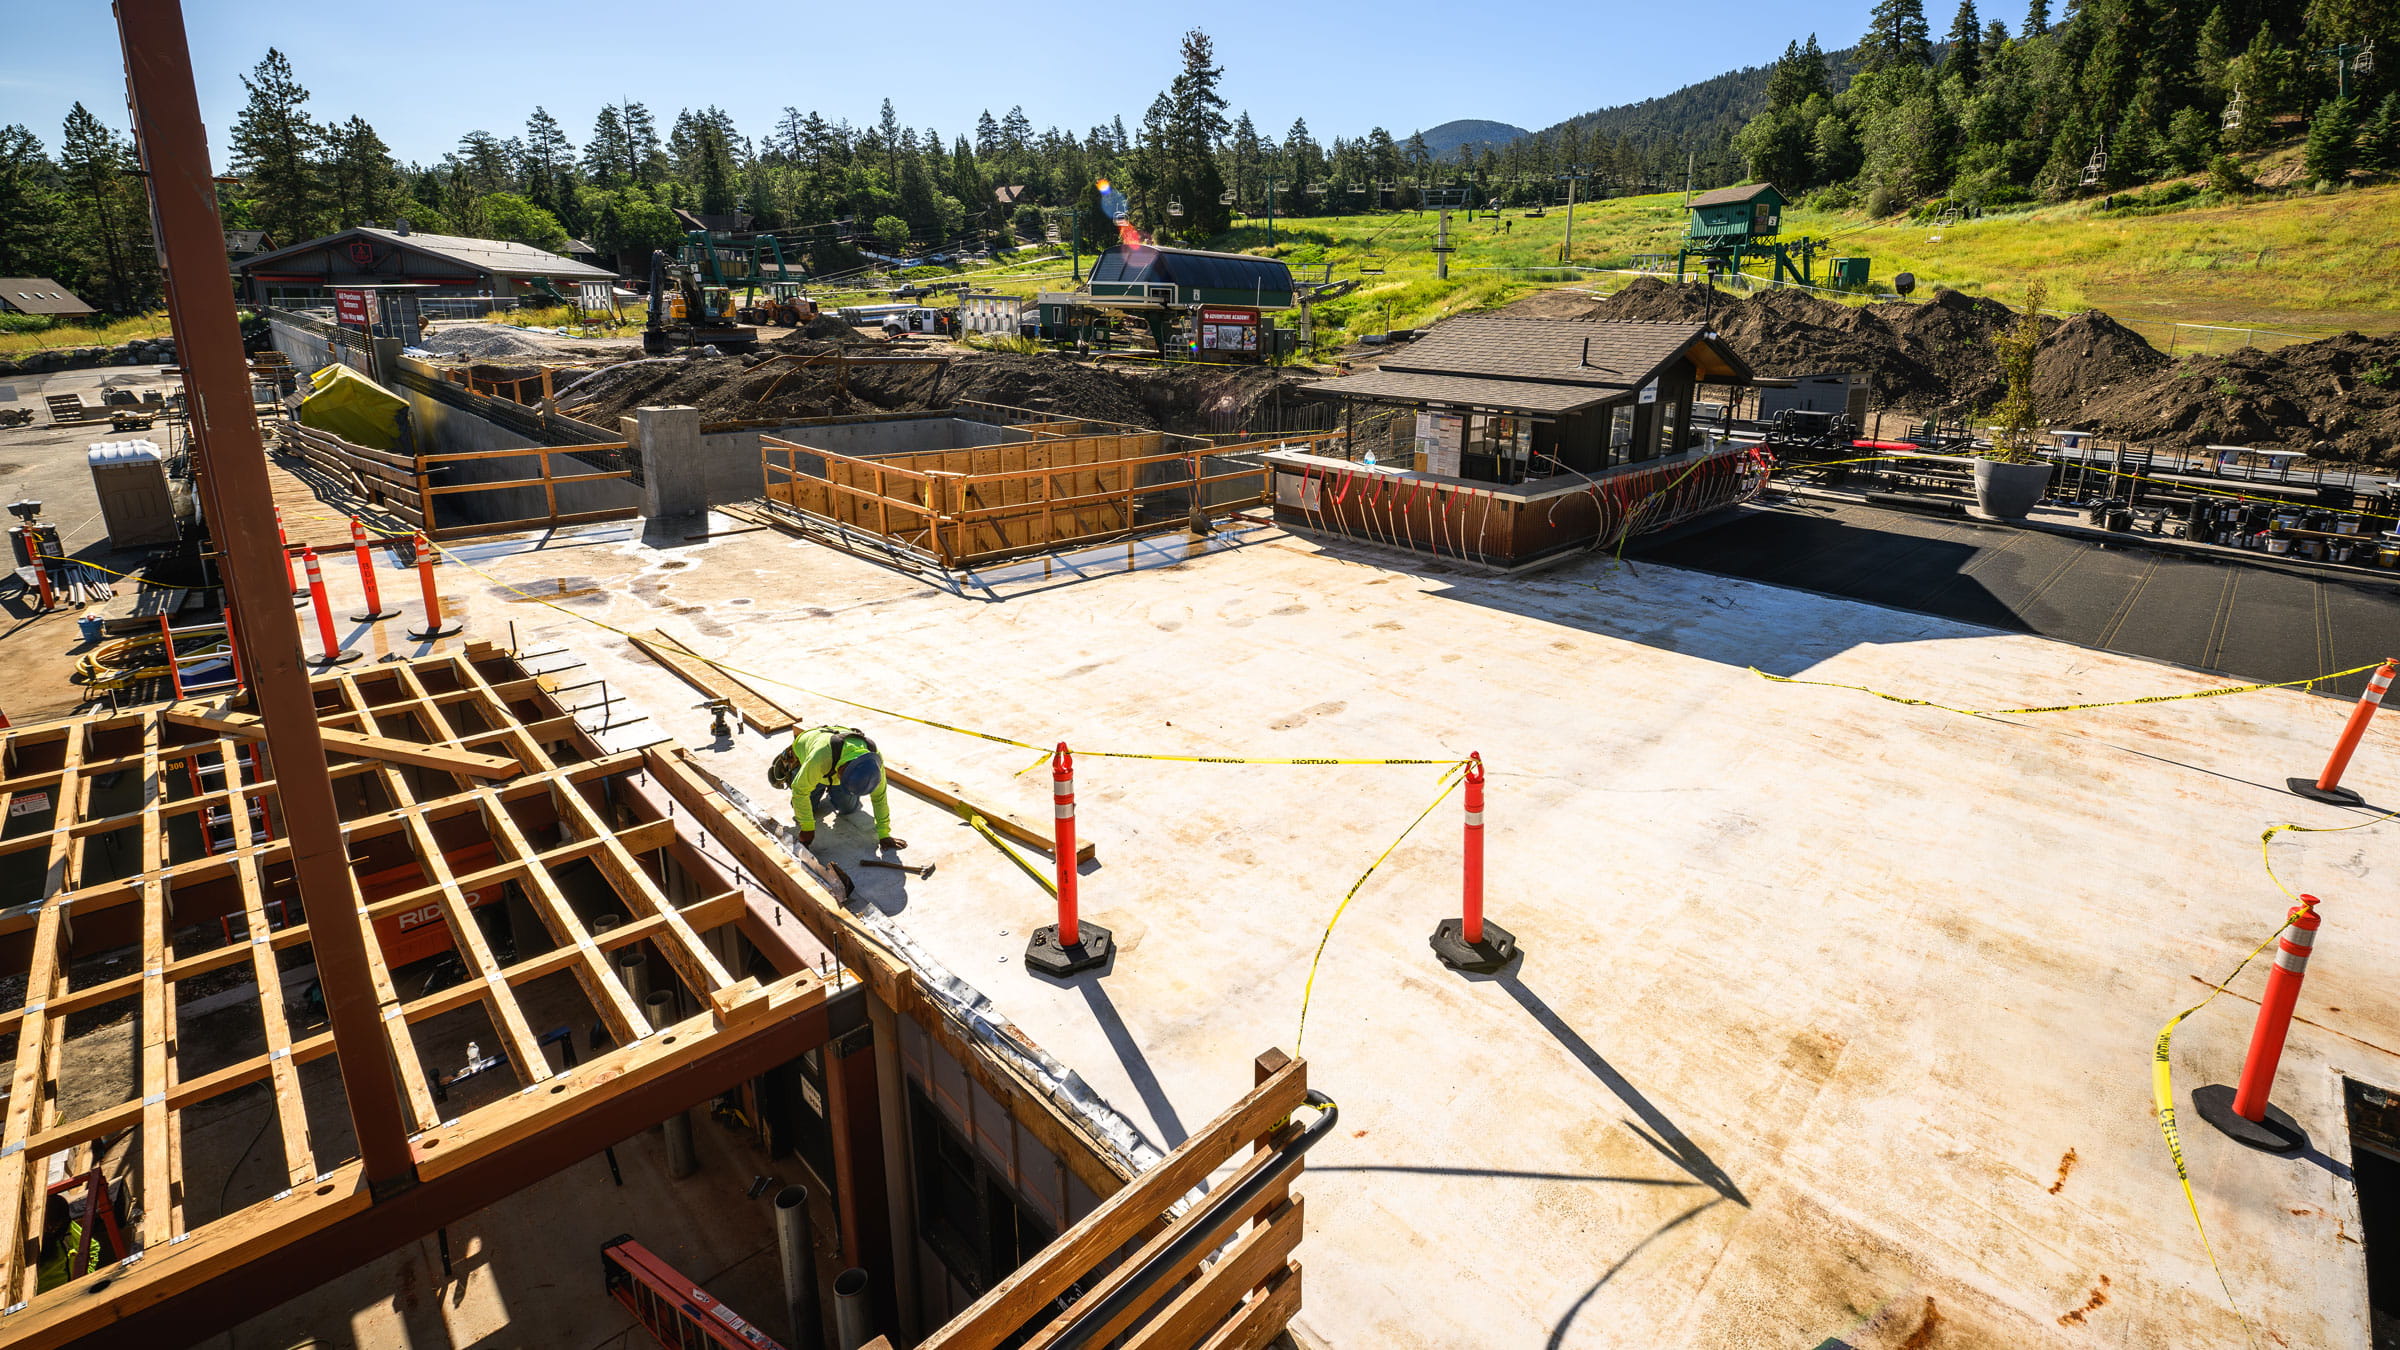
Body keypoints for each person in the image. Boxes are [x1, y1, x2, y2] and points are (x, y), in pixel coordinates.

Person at [771, 726, 906, 850]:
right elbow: (800, 792)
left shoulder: (874, 762)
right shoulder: (820, 757)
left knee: (848, 808)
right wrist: (807, 829)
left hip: (831, 766)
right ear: (841, 769)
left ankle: (831, 789)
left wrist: (884, 834)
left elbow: (879, 798)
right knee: (807, 809)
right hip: (809, 756)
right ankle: (815, 783)